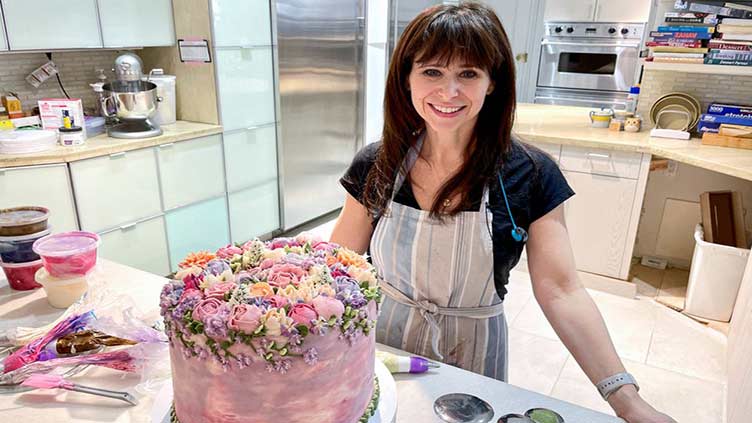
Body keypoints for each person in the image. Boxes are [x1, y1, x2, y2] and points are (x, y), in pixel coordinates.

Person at [331, 3, 675, 422]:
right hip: (385, 351)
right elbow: (338, 270)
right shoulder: (377, 164)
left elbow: (562, 290)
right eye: (432, 72)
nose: (448, 91)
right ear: (407, 78)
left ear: (492, 83)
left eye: (468, 74)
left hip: (475, 352)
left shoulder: (529, 173)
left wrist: (625, 398)